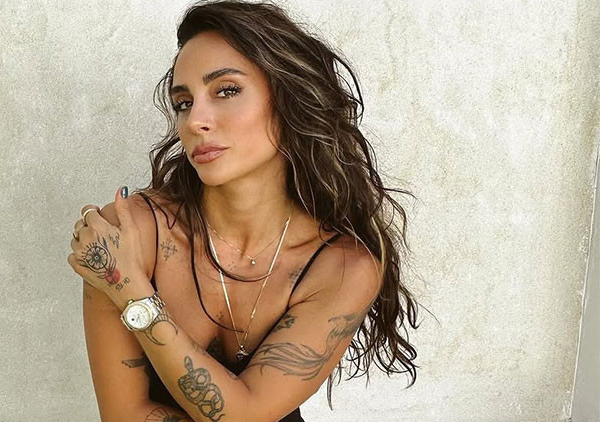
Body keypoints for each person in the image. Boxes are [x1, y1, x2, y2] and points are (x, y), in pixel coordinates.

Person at [74, 1, 423, 420]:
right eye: (183, 102)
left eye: (226, 91)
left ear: (288, 99)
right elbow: (124, 415)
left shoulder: (341, 266)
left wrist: (129, 288)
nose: (195, 121)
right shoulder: (130, 232)